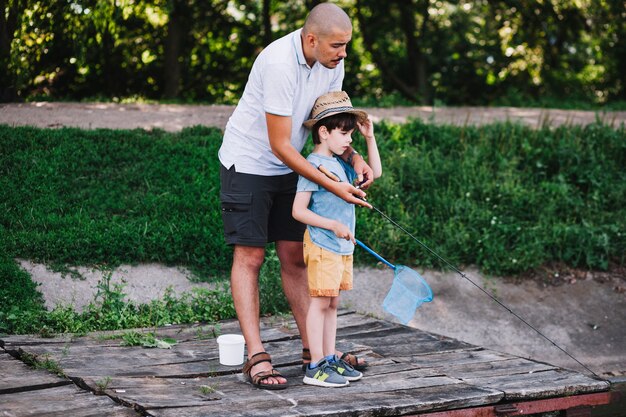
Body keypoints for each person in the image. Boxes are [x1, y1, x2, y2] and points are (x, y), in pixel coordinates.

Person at [218, 3, 375, 389]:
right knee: (251, 255)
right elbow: (278, 143)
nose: (343, 54)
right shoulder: (278, 64)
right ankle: (256, 355)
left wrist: (353, 157)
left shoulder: (331, 63)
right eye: (338, 45)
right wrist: (329, 182)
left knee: (294, 256)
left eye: (346, 45)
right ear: (311, 39)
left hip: (293, 164)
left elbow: (330, 121)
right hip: (250, 162)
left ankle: (316, 355)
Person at [292, 91, 382, 387]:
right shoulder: (313, 166)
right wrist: (332, 224)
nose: (349, 140)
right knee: (319, 304)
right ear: (323, 132)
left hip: (342, 247)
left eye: (351, 134)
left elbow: (375, 173)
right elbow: (298, 211)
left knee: (332, 304)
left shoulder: (341, 164)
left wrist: (369, 138)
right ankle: (315, 366)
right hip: (322, 245)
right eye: (344, 133)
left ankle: (330, 358)